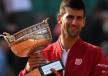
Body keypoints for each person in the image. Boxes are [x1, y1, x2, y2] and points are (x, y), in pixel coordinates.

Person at [18, 0, 108, 76]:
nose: (74, 23)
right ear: (59, 19)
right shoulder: (42, 54)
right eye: (70, 17)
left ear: (84, 22)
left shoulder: (95, 54)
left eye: (79, 18)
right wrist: (27, 71)